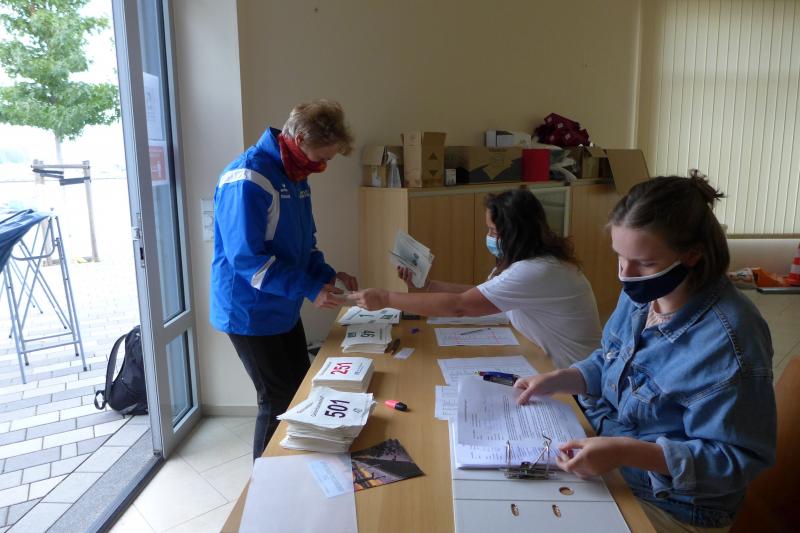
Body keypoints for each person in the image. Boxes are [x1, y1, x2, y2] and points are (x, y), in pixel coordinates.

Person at [514, 175, 776, 532]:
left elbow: (737, 460)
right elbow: (610, 358)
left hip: (675, 506)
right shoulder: (642, 294)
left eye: (645, 262)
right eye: (619, 256)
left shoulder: (731, 340)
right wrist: (564, 378)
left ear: (692, 254)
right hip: (612, 459)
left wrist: (626, 452)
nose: (625, 273)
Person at [210, 100, 357, 460]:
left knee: (299, 389)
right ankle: (264, 482)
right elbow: (247, 260)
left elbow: (304, 245)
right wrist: (309, 288)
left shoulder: (295, 174)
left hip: (282, 306)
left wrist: (326, 276)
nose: (321, 166)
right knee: (276, 398)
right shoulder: (247, 178)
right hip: (248, 311)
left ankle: (294, 465)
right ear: (300, 138)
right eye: (320, 157)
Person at [349, 188, 602, 368]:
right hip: (546, 359)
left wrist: (386, 298)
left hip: (576, 382)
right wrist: (428, 286)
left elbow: (460, 306)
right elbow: (482, 293)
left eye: (493, 231)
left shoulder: (536, 270)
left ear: (514, 233)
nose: (489, 237)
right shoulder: (534, 260)